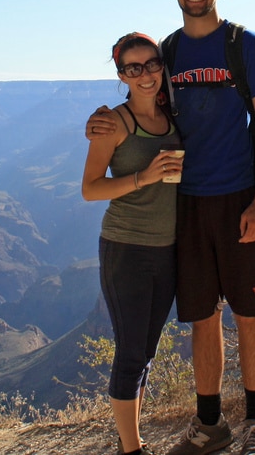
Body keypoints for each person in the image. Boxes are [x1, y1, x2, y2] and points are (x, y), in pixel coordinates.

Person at [87, 0, 255, 455]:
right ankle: (210, 423)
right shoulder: (170, 51)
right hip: (187, 205)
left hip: (241, 196)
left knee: (248, 313)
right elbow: (143, 98)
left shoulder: (244, 45)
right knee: (201, 315)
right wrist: (102, 121)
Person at [81, 32, 185, 455]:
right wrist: (145, 176)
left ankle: (135, 439)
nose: (145, 75)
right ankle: (131, 449)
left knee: (145, 353)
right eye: (133, 68)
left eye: (152, 64)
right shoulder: (113, 124)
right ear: (121, 75)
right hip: (126, 248)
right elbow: (90, 188)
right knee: (129, 353)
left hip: (168, 249)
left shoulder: (171, 113)